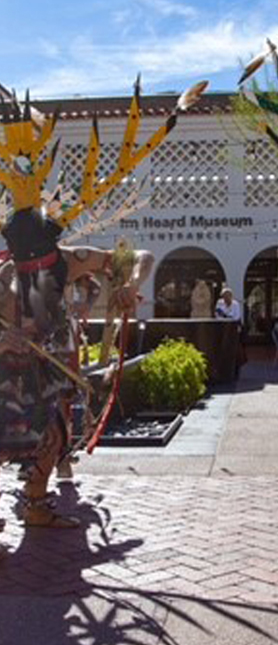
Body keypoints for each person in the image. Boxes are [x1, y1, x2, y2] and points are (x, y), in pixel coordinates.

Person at [0, 207, 153, 553]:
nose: (39, 271)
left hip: (51, 366)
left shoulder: (71, 260)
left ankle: (36, 505)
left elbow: (141, 257)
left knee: (54, 434)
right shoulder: (5, 278)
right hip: (10, 371)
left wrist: (130, 285)